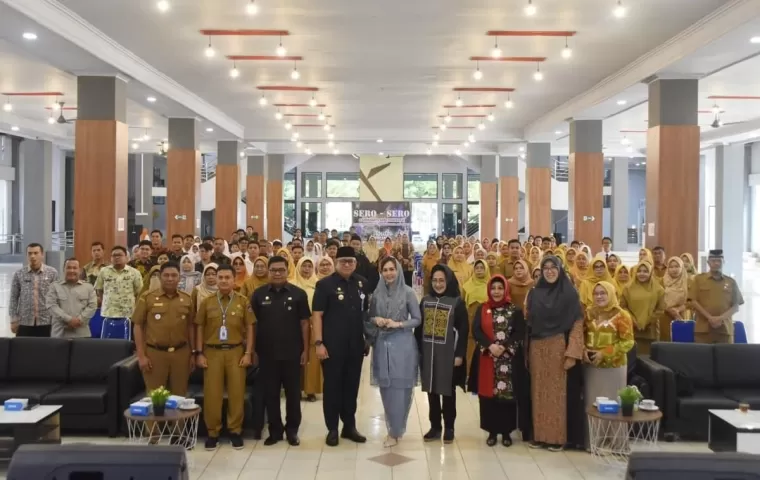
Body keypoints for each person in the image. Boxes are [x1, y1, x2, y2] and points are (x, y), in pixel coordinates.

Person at [132, 261, 195, 446]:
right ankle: (153, 437)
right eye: (166, 275)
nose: (170, 279)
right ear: (160, 277)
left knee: (179, 395)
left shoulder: (187, 298)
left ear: (179, 278)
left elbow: (191, 326)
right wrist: (141, 355)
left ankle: (179, 435)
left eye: (174, 275)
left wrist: (192, 353)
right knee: (154, 396)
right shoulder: (147, 298)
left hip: (181, 353)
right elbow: (137, 325)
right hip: (154, 353)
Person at [312, 246, 370, 447]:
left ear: (356, 263)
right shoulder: (324, 285)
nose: (347, 265)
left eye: (350, 262)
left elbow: (366, 315)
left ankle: (349, 426)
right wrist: (318, 343)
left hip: (356, 345)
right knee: (332, 387)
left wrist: (367, 339)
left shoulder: (362, 283)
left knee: (351, 386)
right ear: (336, 263)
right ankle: (332, 429)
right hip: (332, 346)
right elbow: (317, 315)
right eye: (343, 261)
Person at [525, 256, 584, 452]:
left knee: (557, 396)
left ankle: (558, 438)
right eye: (546, 268)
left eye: (553, 268)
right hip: (537, 348)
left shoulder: (569, 294)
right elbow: (528, 321)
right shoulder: (534, 293)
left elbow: (577, 323)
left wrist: (572, 353)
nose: (549, 271)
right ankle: (540, 436)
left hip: (559, 347)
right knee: (538, 393)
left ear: (560, 270)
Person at [251, 256, 311, 446]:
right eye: (274, 270)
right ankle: (275, 431)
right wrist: (252, 351)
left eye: (281, 270)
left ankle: (292, 430)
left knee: (293, 394)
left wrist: (305, 350)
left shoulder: (298, 294)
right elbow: (252, 325)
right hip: (267, 354)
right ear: (268, 272)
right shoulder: (258, 295)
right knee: (271, 394)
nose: (277, 273)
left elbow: (304, 323)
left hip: (293, 353)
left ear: (287, 271)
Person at [195, 264, 255, 451]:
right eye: (220, 277)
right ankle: (213, 432)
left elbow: (251, 328)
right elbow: (199, 327)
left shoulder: (243, 301)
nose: (223, 281)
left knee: (237, 393)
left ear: (233, 278)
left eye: (227, 277)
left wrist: (248, 353)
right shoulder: (207, 301)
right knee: (212, 394)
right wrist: (199, 353)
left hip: (236, 351)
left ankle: (235, 431)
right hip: (212, 352)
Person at [366, 257, 421, 447]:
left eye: (392, 269)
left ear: (398, 270)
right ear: (381, 272)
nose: (389, 273)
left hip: (403, 345)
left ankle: (396, 430)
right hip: (382, 345)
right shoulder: (377, 293)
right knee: (386, 389)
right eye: (385, 270)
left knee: (400, 389)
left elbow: (417, 319)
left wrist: (398, 324)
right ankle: (392, 428)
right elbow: (370, 316)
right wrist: (377, 320)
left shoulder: (408, 293)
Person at [469, 275, 528, 447]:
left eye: (500, 288)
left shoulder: (514, 310)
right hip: (488, 359)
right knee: (489, 397)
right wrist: (490, 346)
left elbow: (519, 332)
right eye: (493, 288)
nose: (496, 291)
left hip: (508, 361)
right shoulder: (483, 308)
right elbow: (477, 330)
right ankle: (492, 432)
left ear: (505, 290)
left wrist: (506, 347)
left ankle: (507, 432)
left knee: (507, 396)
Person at [416, 264, 468, 445]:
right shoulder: (425, 301)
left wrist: (459, 355)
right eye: (435, 281)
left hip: (448, 355)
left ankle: (449, 427)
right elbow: (419, 328)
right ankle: (435, 426)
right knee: (431, 391)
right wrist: (417, 351)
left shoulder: (457, 302)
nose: (438, 284)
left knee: (447, 392)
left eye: (442, 281)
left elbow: (463, 330)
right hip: (429, 354)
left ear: (449, 281)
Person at [583, 281, 634, 450]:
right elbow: (581, 335)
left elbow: (627, 342)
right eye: (596, 293)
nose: (599, 297)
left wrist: (604, 353)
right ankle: (595, 442)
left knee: (613, 404)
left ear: (611, 294)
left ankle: (615, 443)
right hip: (592, 367)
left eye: (603, 293)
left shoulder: (622, 315)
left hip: (614, 367)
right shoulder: (588, 313)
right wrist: (583, 350)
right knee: (593, 403)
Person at [688, 249, 744, 344]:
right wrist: (710, 318)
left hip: (725, 330)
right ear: (708, 262)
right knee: (703, 357)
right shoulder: (698, 279)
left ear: (723, 262)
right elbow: (693, 301)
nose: (716, 263)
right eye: (713, 260)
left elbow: (736, 306)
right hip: (703, 329)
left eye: (719, 261)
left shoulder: (731, 282)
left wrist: (720, 318)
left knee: (725, 357)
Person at [9, 243, 59, 337]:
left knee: (45, 350)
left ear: (42, 255)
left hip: (46, 322)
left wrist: (57, 320)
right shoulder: (19, 274)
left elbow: (57, 297)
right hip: (24, 322)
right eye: (30, 253)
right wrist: (13, 320)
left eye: (36, 253)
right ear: (26, 255)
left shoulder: (52, 273)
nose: (33, 256)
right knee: (23, 350)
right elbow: (13, 298)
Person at [95, 246, 143, 340]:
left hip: (128, 314)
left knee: (127, 341)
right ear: (110, 258)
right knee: (107, 342)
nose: (116, 257)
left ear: (126, 257)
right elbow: (99, 290)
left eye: (119, 255)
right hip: (108, 313)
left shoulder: (134, 272)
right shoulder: (104, 271)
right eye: (114, 255)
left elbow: (139, 293)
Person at [45, 258, 97, 338]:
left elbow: (92, 306)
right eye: (68, 268)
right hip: (59, 335)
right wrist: (69, 320)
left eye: (74, 268)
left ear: (79, 270)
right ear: (63, 269)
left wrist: (79, 320)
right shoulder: (54, 286)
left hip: (82, 334)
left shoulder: (88, 287)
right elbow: (51, 306)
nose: (71, 270)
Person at [620, 262, 664, 355]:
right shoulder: (627, 288)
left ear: (650, 273)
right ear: (635, 272)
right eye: (639, 271)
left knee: (649, 358)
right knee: (633, 357)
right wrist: (633, 321)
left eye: (645, 271)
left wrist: (647, 321)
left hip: (650, 329)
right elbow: (623, 306)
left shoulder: (658, 289)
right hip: (632, 329)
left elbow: (660, 309)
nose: (642, 274)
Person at [295, 256, 322, 402]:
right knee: (295, 359)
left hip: (312, 325)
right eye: (303, 266)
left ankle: (310, 390)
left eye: (309, 266)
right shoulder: (292, 284)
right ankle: (295, 389)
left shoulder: (318, 285)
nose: (306, 269)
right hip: (294, 326)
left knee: (311, 360)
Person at [462, 259, 490, 367]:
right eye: (477, 268)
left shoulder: (491, 285)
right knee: (470, 347)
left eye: (482, 268)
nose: (479, 270)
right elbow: (463, 302)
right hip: (470, 319)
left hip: (486, 320)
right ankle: (469, 374)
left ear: (486, 270)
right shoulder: (467, 286)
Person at [661, 256, 689, 341]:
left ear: (682, 268)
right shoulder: (661, 281)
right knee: (665, 340)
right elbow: (658, 298)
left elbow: (692, 300)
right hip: (665, 315)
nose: (674, 269)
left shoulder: (689, 281)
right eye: (671, 267)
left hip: (682, 314)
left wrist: (678, 310)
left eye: (677, 266)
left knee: (682, 341)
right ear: (668, 268)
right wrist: (670, 309)